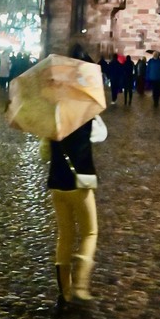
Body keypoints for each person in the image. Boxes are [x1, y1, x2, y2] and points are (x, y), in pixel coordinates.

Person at [45, 107, 107, 308]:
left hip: (57, 183)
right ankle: (80, 283)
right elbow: (101, 134)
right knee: (90, 232)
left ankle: (65, 293)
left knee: (65, 235)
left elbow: (44, 151)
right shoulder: (85, 113)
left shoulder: (52, 117)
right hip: (80, 183)